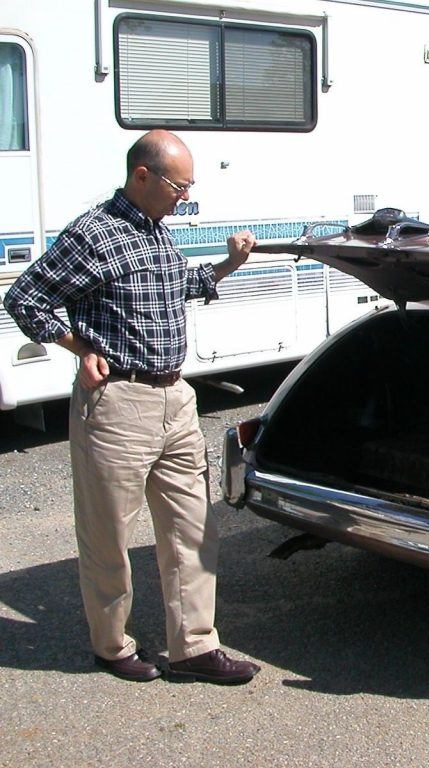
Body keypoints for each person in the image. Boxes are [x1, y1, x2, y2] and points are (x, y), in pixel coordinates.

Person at [3, 130, 260, 684]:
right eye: (179, 185)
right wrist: (79, 347)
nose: (184, 197)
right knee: (109, 535)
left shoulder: (158, 234)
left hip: (176, 397)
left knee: (193, 528)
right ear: (142, 175)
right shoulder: (94, 234)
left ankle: (193, 647)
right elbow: (25, 298)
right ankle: (112, 646)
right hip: (118, 401)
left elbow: (177, 287)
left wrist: (226, 266)